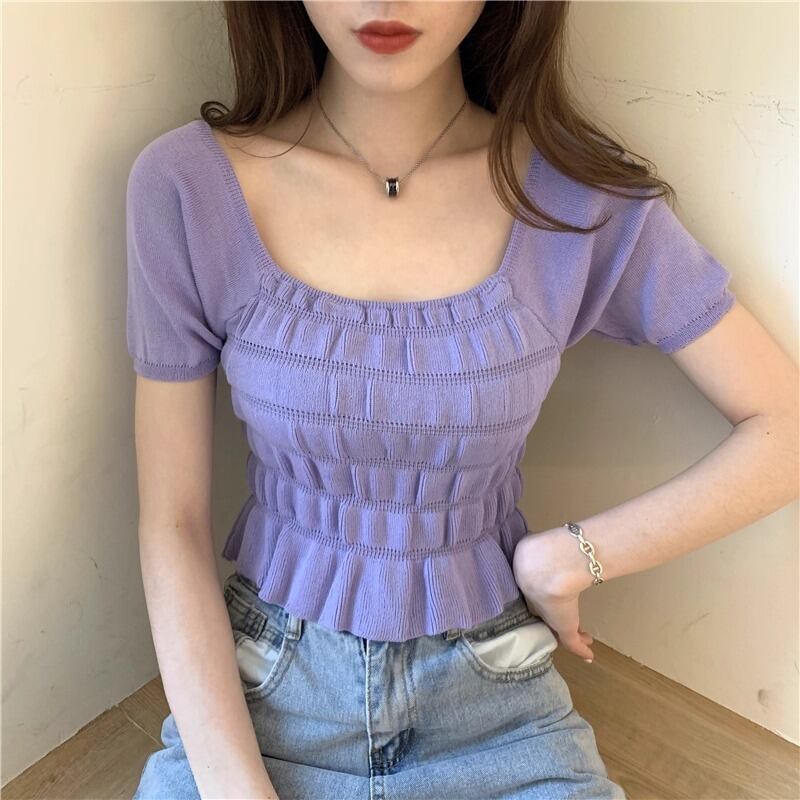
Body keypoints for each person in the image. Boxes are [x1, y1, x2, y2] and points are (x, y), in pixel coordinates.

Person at [127, 3, 798, 799]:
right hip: (254, 702)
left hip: (494, 704)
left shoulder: (574, 198)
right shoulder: (187, 187)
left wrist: (574, 555)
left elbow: (784, 426)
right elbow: (172, 520)